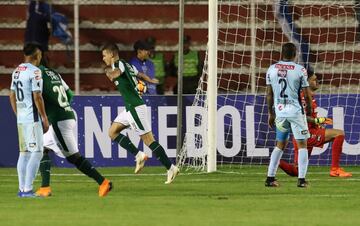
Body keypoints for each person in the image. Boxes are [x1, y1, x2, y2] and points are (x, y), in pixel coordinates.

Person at [101, 43, 179, 184]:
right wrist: (150, 80)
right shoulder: (127, 65)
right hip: (129, 108)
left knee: (149, 141)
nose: (103, 58)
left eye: (104, 55)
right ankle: (139, 155)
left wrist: (110, 73)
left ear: (112, 54)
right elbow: (139, 74)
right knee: (112, 132)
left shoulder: (119, 64)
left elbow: (117, 73)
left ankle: (171, 167)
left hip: (136, 108)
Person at [35, 64, 112, 197]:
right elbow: (69, 94)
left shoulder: (37, 74)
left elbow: (37, 95)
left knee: (74, 158)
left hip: (58, 120)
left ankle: (103, 182)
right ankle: (45, 188)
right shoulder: (54, 74)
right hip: (66, 115)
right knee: (42, 148)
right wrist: (63, 107)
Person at [279, 72, 352, 177]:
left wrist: (317, 123)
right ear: (306, 82)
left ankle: (275, 161)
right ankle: (335, 169)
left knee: (297, 171)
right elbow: (301, 117)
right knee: (339, 134)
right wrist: (318, 121)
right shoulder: (303, 97)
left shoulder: (309, 97)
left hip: (302, 135)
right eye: (314, 80)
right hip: (306, 134)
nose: (317, 81)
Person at [265, 42, 313, 188]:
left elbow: (269, 94)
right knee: (302, 144)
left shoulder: (272, 69)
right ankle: (302, 180)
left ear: (281, 53)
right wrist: (309, 108)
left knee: (280, 145)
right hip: (295, 111)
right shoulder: (300, 70)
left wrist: (271, 113)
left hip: (279, 112)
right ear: (295, 54)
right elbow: (306, 93)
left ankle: (270, 178)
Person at [9, 44, 49, 197]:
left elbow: (11, 95)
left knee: (24, 153)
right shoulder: (35, 72)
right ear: (36, 55)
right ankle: (27, 189)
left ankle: (22, 189)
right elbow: (37, 96)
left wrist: (17, 113)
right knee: (37, 153)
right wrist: (44, 117)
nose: (40, 58)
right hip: (32, 119)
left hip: (21, 118)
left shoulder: (17, 71)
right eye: (39, 55)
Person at [25, 0, 52, 65]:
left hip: (37, 37)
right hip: (36, 38)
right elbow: (39, 16)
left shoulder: (41, 5)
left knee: (38, 58)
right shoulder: (36, 4)